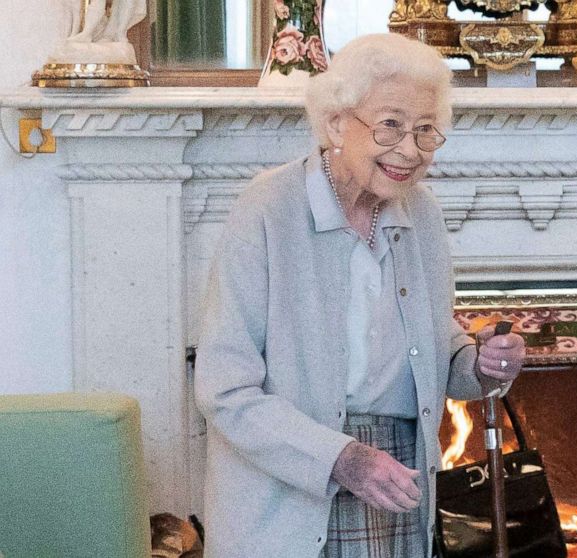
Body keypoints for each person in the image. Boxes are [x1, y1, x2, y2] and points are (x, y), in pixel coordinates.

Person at [193, 33, 526, 558]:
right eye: (390, 124)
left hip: (397, 474)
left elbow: (440, 351)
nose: (410, 150)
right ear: (335, 123)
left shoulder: (423, 216)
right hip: (294, 483)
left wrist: (481, 364)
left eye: (425, 130)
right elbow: (224, 389)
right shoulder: (266, 210)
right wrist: (341, 458)